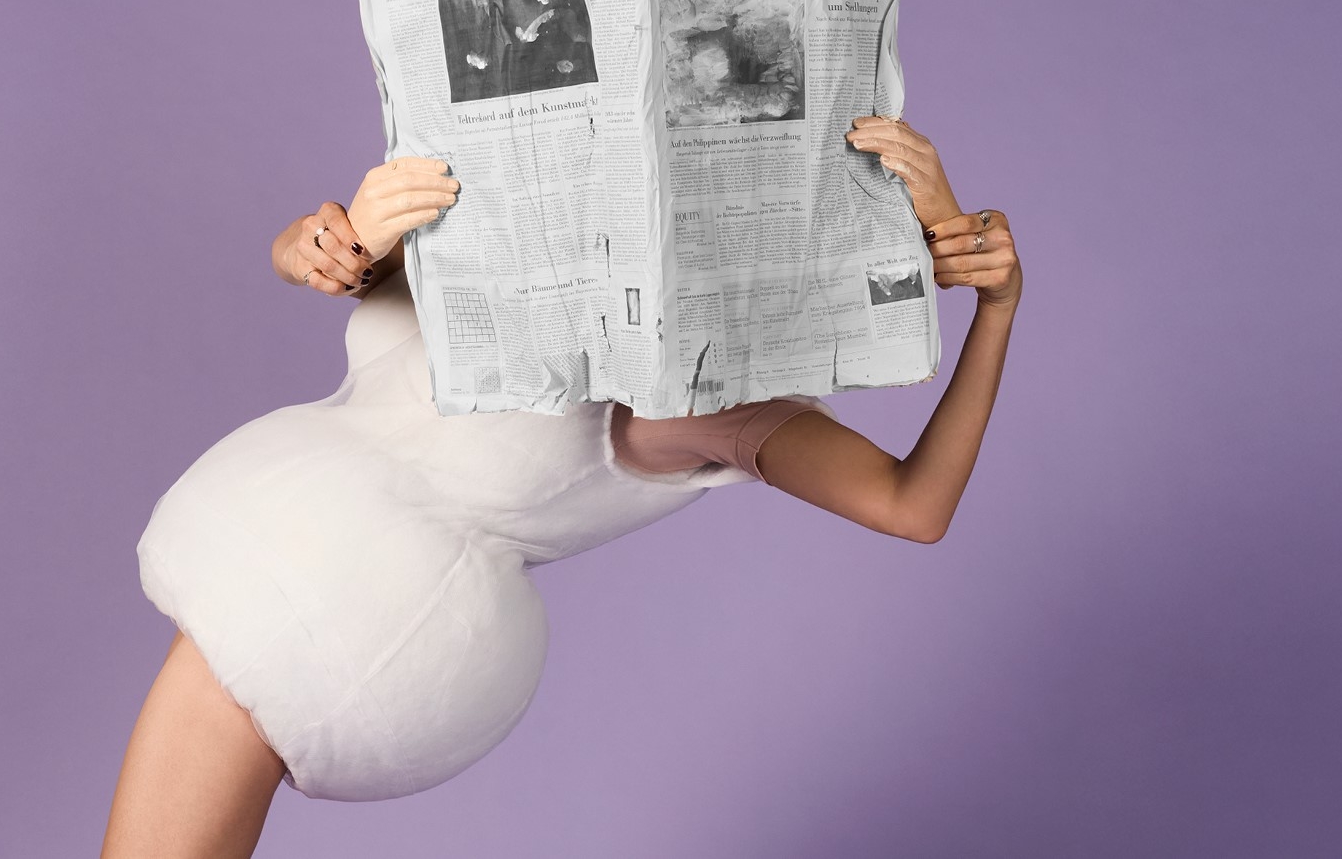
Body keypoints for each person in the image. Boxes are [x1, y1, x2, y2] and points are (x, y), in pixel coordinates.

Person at [103, 117, 1023, 858]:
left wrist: (996, 309)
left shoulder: (707, 404)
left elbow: (914, 506)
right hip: (288, 562)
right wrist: (328, 237)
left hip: (349, 610)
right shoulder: (504, 251)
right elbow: (318, 261)